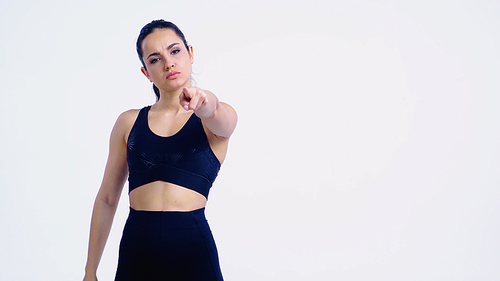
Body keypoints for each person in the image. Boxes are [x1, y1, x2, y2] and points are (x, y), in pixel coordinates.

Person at [83, 20, 237, 281]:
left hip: (193, 254)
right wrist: (90, 272)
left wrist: (206, 102)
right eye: (155, 59)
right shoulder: (128, 122)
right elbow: (107, 198)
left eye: (175, 51)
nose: (168, 63)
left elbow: (217, 114)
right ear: (146, 72)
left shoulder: (215, 118)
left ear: (190, 53)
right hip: (136, 251)